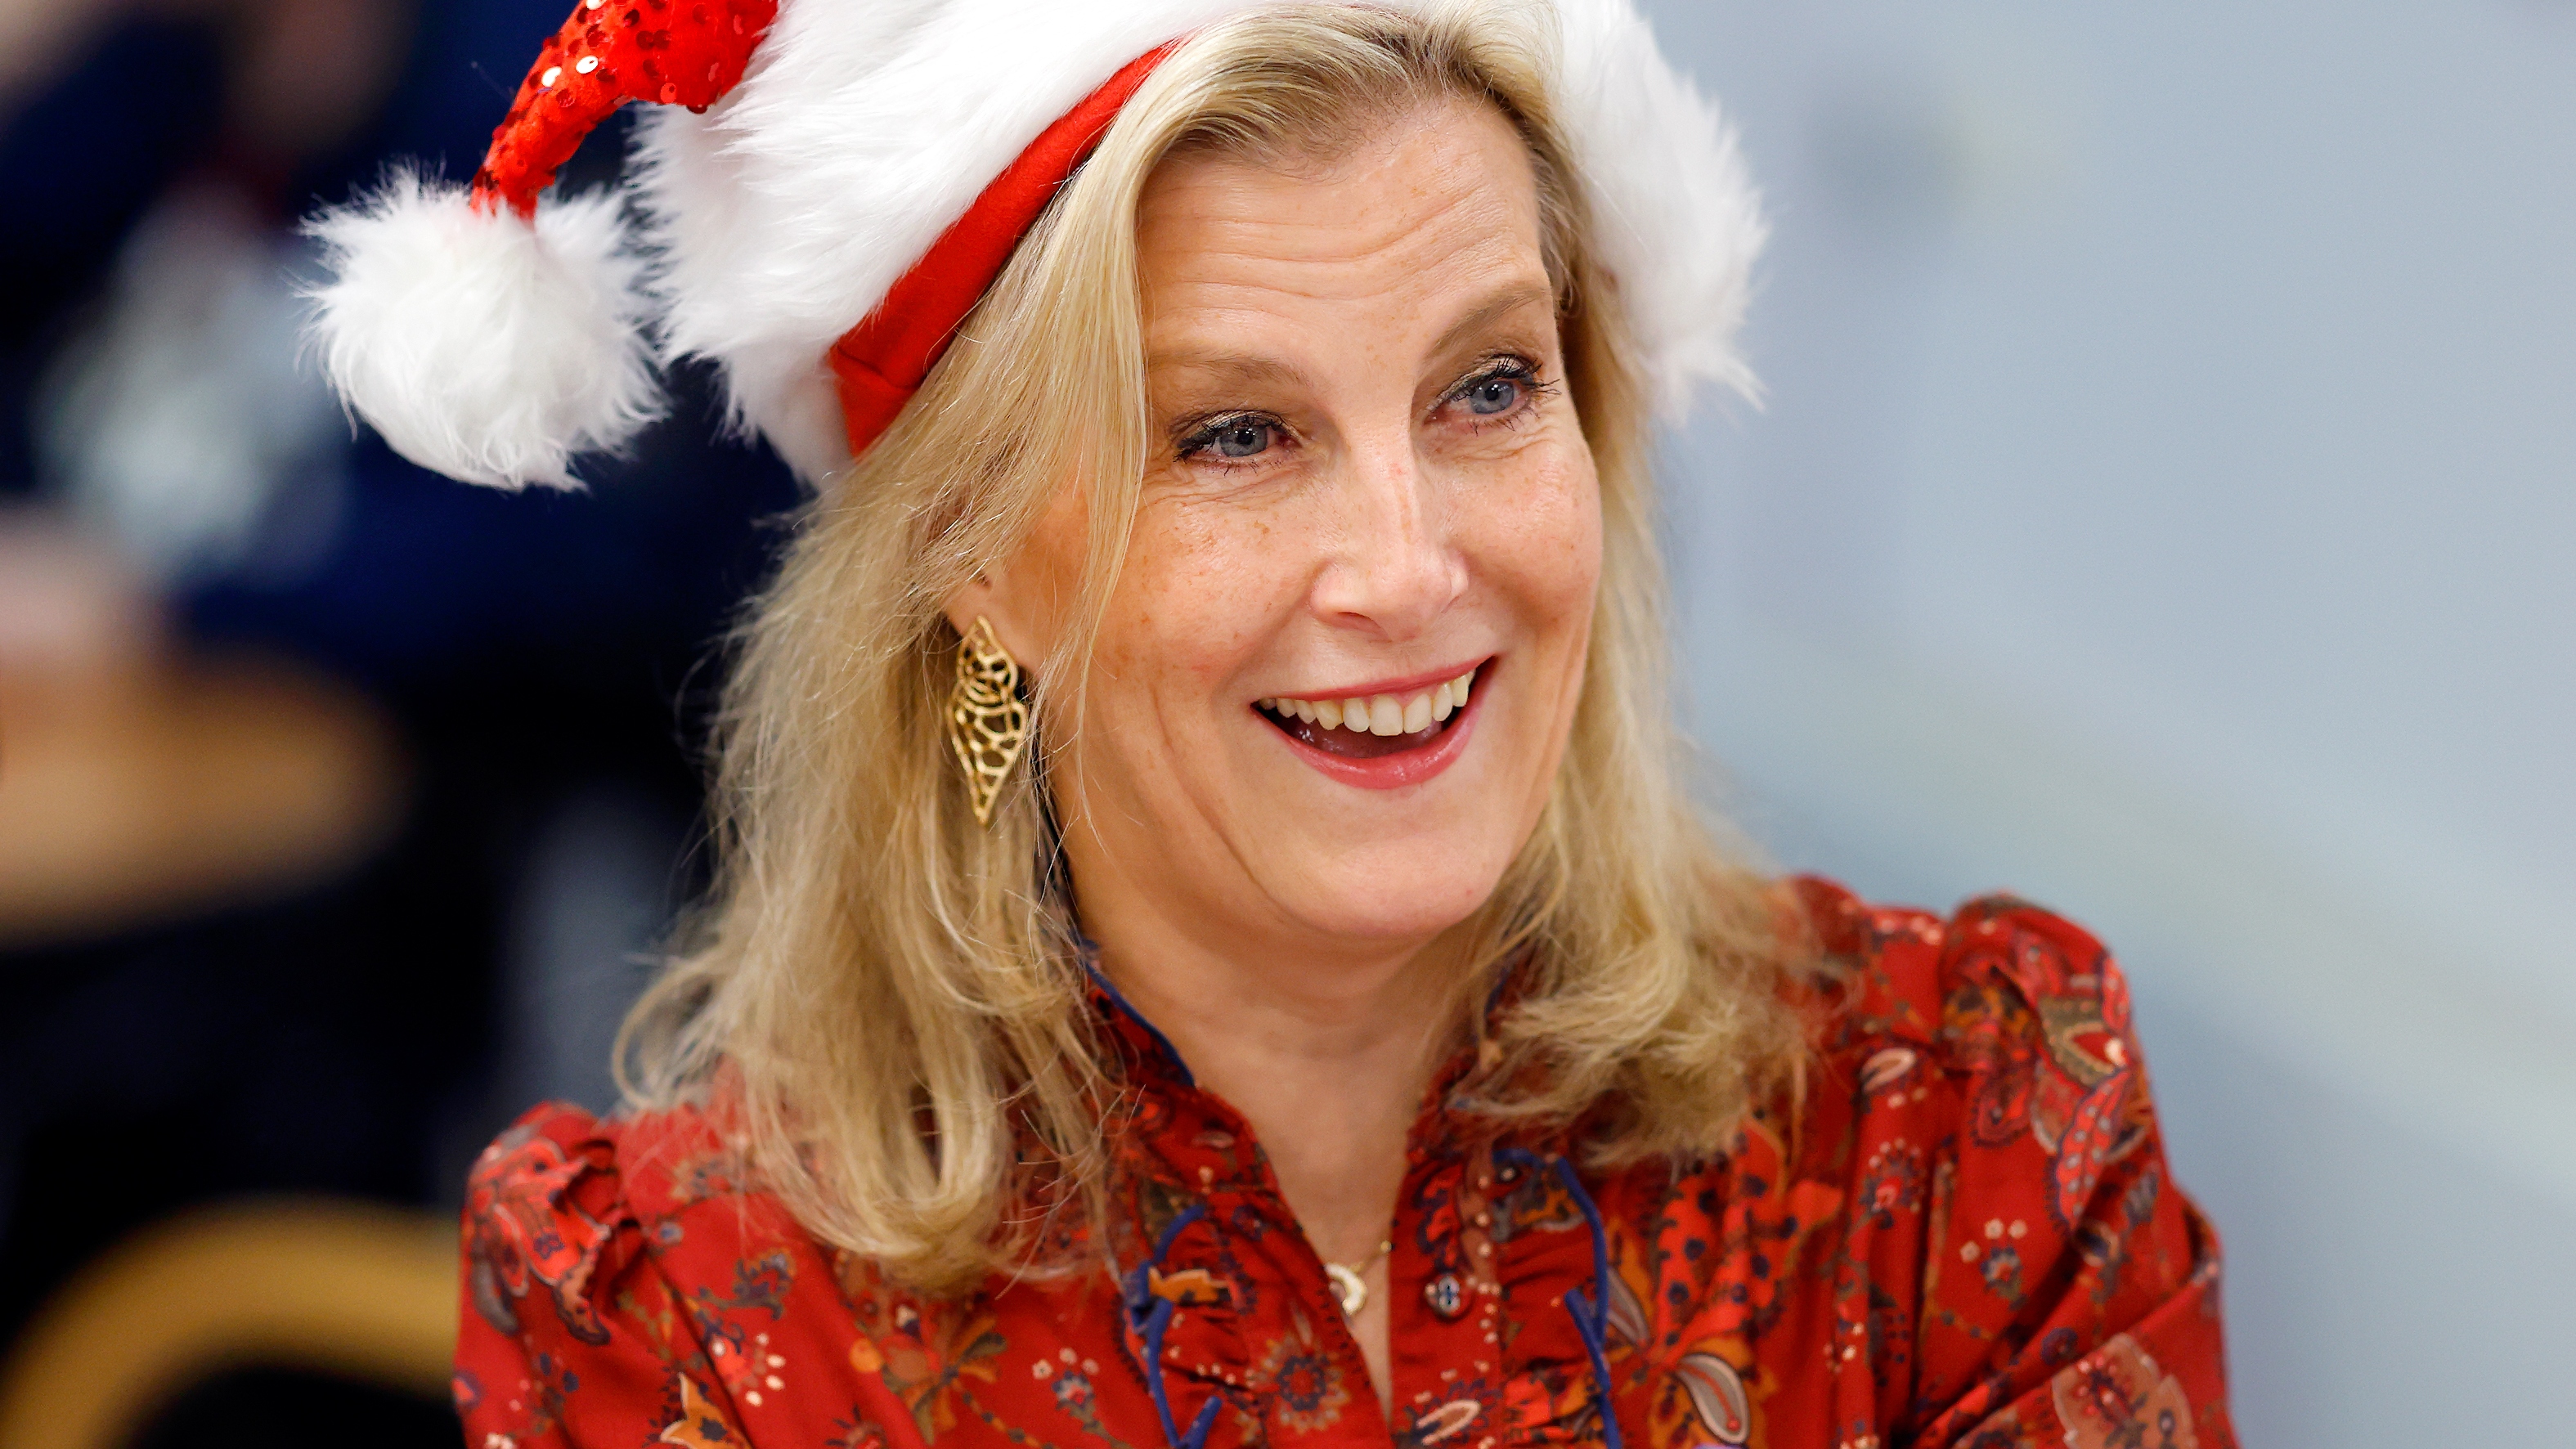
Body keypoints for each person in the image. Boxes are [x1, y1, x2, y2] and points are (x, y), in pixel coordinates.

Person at [307, 2, 2233, 1446]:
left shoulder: (1959, 1138)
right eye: (1235, 431)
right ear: (979, 562)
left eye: (1489, 388)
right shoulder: (691, 1325)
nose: (1408, 566)